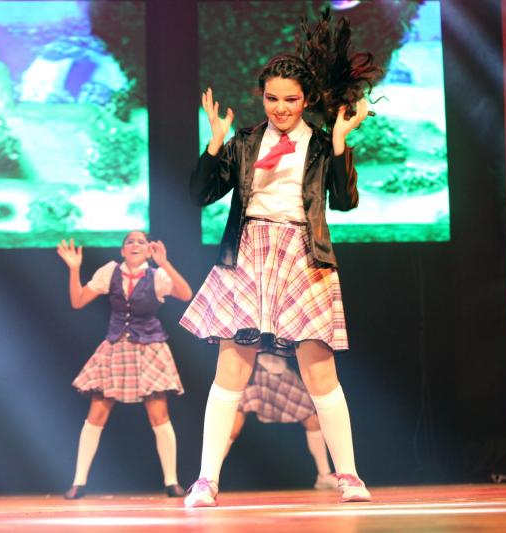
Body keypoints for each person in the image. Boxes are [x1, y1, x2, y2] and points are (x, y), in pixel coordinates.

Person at [179, 10, 379, 507]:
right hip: (248, 253)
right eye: (272, 98)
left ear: (305, 99)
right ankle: (205, 481)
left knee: (320, 372)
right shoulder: (245, 143)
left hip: (303, 254)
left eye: (290, 99)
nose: (281, 108)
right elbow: (201, 194)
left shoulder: (320, 144)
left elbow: (346, 202)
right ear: (262, 97)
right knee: (231, 368)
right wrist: (215, 143)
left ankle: (348, 475)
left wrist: (340, 144)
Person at [57, 231, 192, 498]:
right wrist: (74, 269)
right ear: (122, 251)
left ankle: (172, 481)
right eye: (130, 242)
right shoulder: (110, 272)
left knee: (159, 415)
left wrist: (164, 263)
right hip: (116, 347)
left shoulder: (157, 276)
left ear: (149, 250)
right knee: (96, 413)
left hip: (150, 347)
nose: (135, 245)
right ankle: (78, 482)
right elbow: (78, 301)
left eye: (141, 241)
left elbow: (185, 294)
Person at [225, 353, 338, 490]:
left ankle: (324, 475)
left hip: (281, 370)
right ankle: (210, 478)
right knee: (232, 427)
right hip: (254, 368)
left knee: (313, 420)